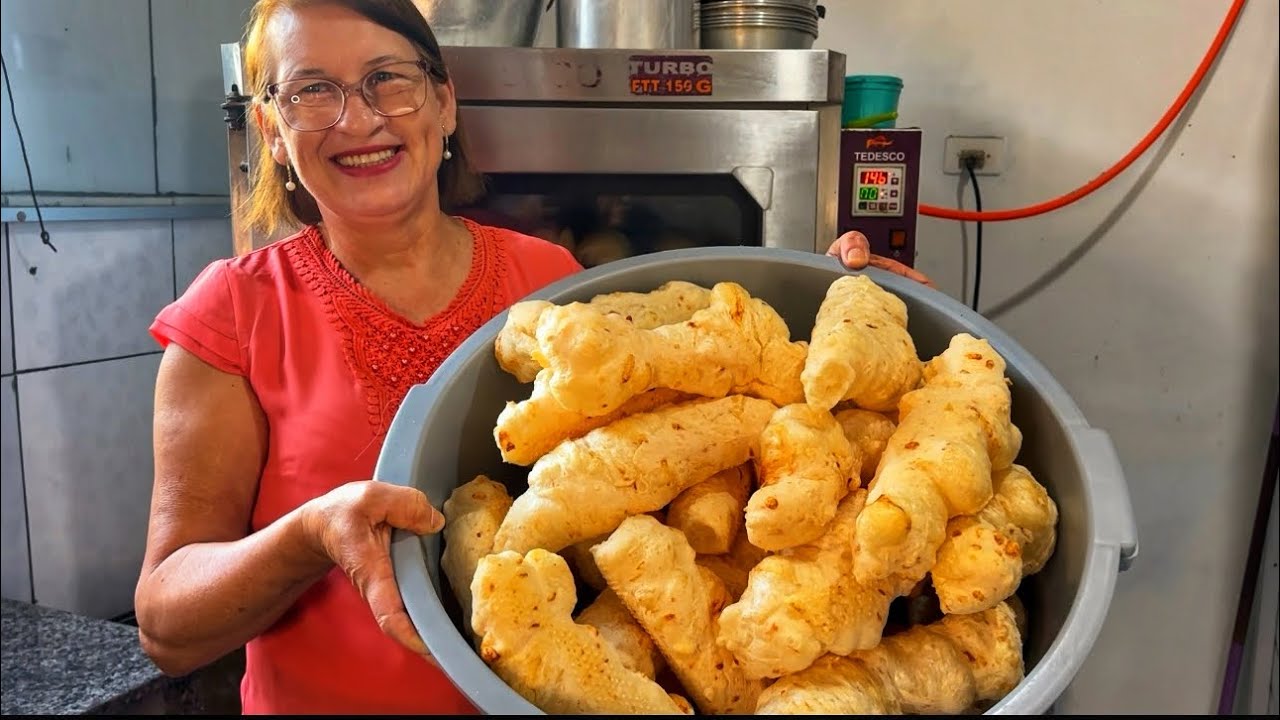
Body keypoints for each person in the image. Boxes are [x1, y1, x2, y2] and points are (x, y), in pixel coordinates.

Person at [132, 0, 933, 714]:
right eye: (313, 90)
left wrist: (861, 315)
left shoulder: (549, 287)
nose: (358, 118)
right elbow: (167, 626)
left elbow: (698, 447)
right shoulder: (234, 313)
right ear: (271, 130)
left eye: (388, 80)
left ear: (443, 105)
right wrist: (307, 537)